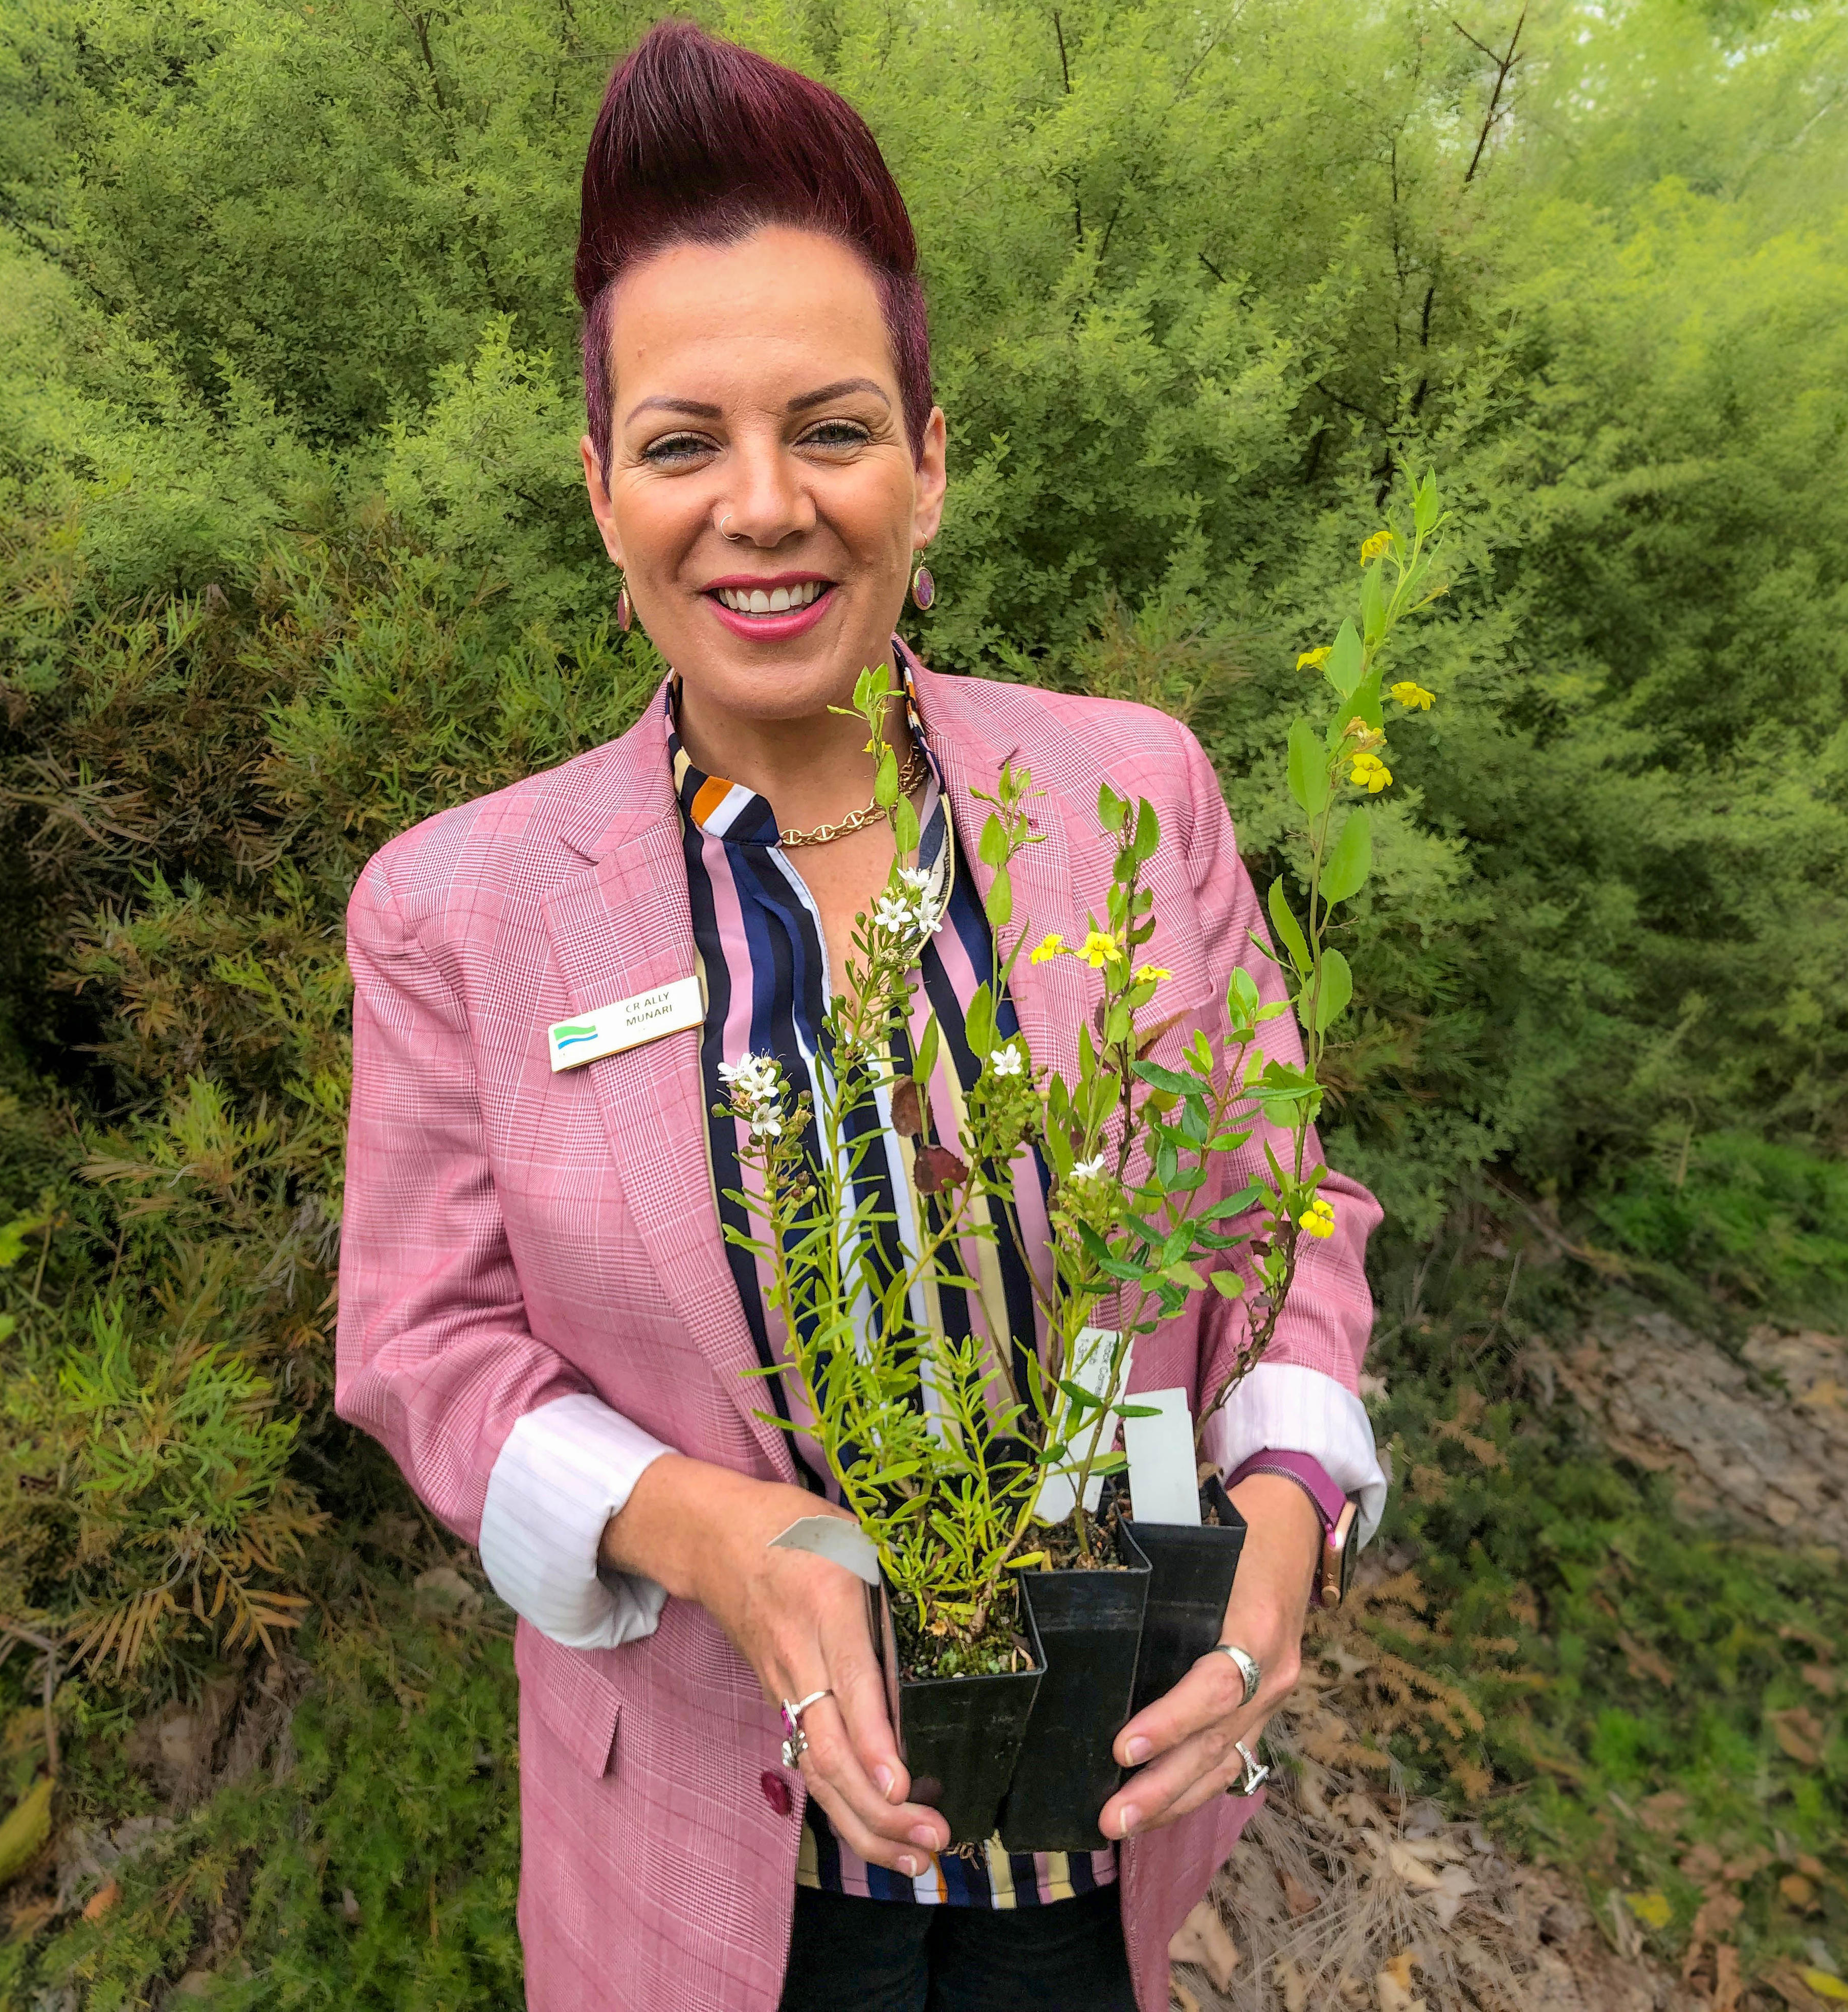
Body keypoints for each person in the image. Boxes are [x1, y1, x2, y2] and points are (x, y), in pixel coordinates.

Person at [335, 21, 1384, 2011]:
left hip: (1098, 1813)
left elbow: (1281, 1217)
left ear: (926, 464)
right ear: (597, 492)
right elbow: (424, 1348)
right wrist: (714, 1532)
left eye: (829, 429)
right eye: (677, 443)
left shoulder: (1119, 793)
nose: (761, 507)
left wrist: (1284, 1503)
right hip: (706, 1869)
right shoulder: (459, 911)